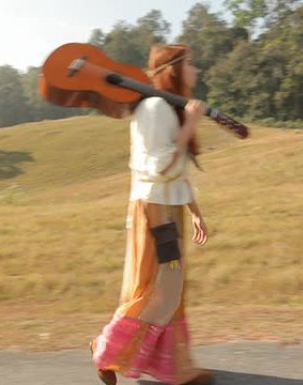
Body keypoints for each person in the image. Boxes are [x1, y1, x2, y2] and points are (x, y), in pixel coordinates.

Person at [90, 44, 214, 385]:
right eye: (191, 63)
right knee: (166, 288)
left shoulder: (166, 108)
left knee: (172, 289)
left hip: (170, 209)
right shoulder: (155, 107)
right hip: (157, 214)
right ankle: (107, 347)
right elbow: (161, 168)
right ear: (172, 68)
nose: (196, 70)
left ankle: (174, 366)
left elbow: (178, 171)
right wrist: (190, 122)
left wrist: (196, 212)